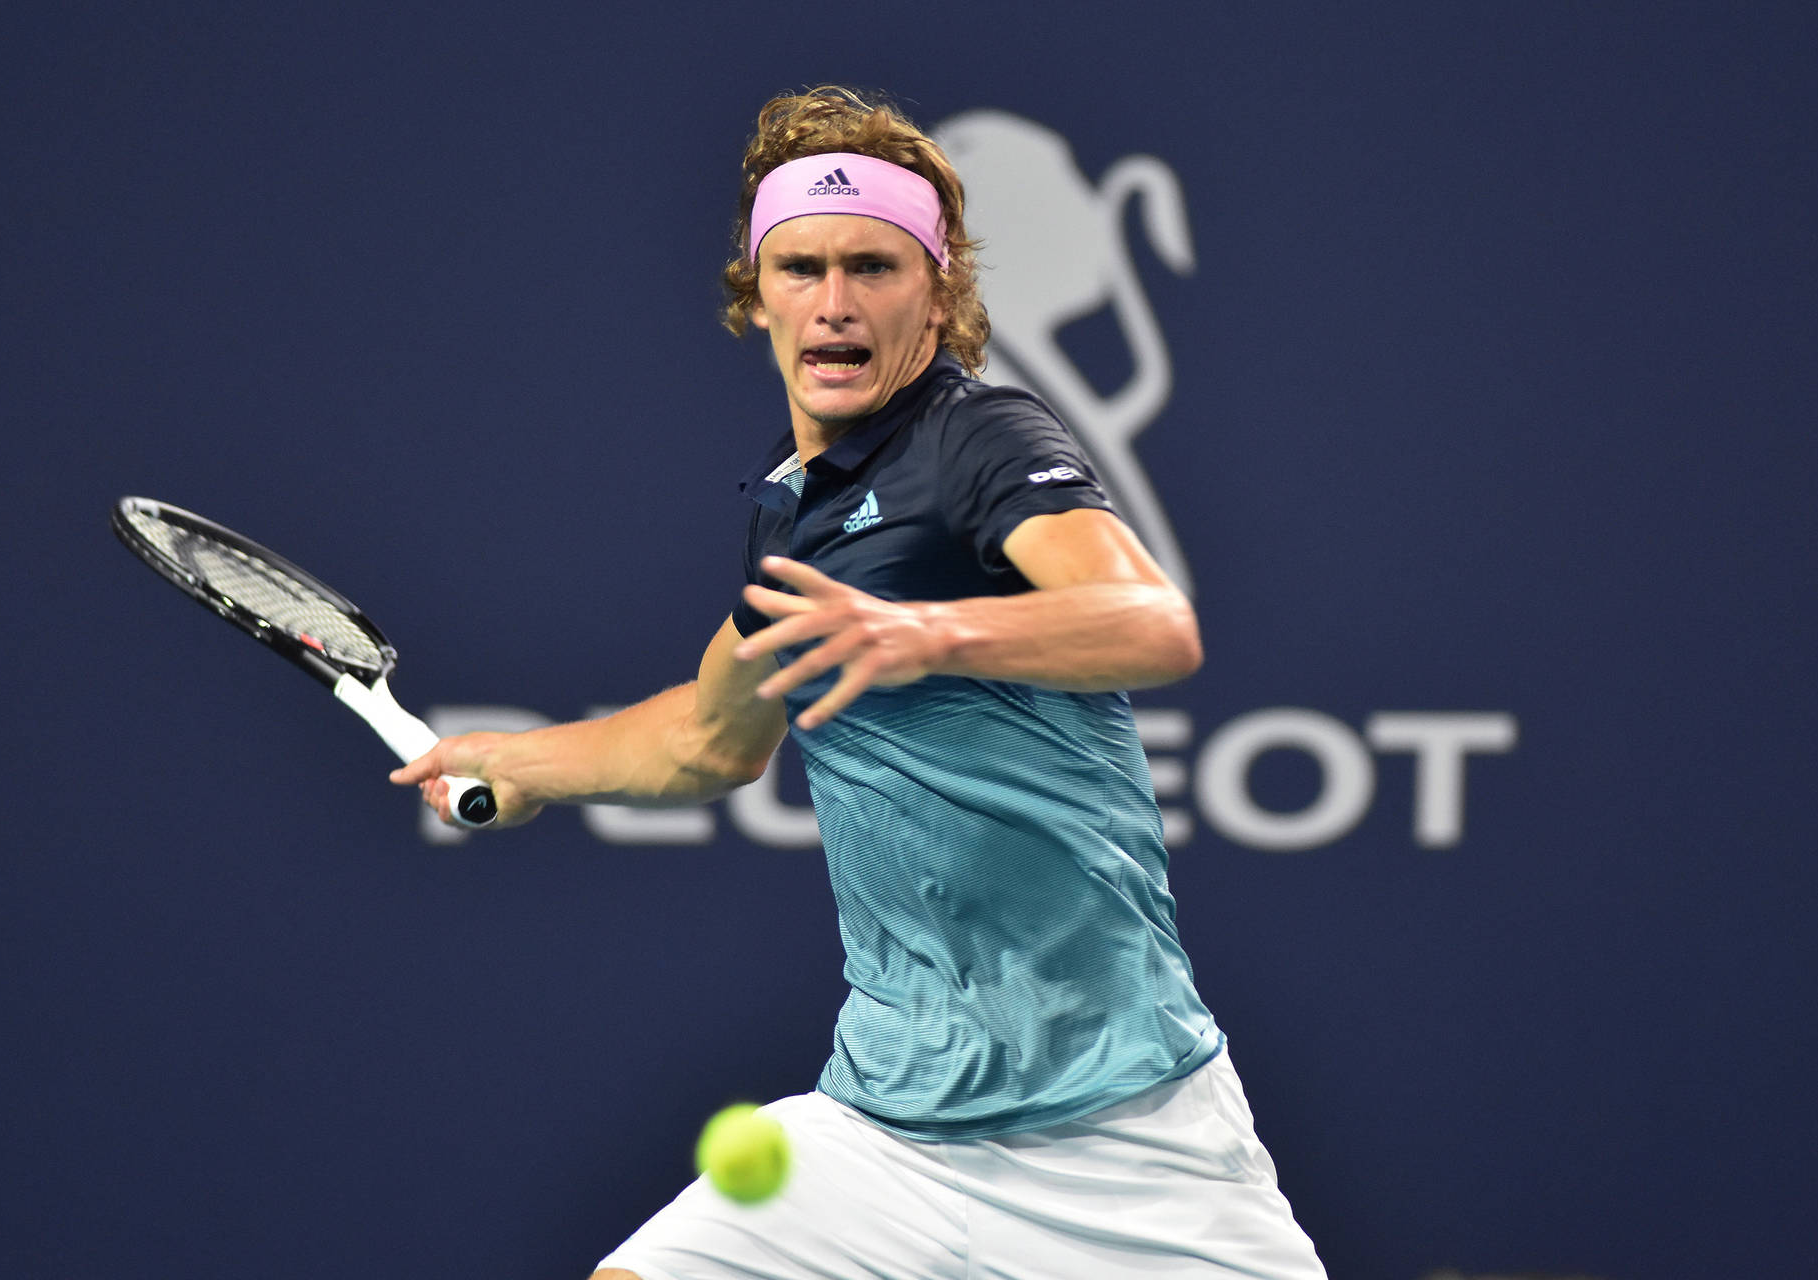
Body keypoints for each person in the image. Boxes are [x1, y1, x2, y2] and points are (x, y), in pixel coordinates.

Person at [393, 86, 1328, 1280]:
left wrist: (928, 632)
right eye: (802, 268)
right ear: (757, 295)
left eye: (874, 267)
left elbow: (1154, 622)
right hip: (884, 1133)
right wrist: (512, 759)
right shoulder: (790, 516)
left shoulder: (980, 438)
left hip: (1126, 1136)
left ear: (937, 294)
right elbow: (710, 737)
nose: (835, 302)